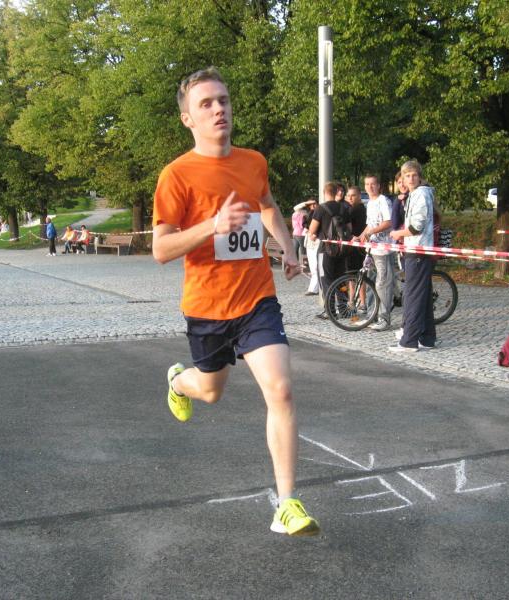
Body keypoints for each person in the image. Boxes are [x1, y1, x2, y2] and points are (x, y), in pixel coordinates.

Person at [151, 66, 319, 536]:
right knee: (210, 391)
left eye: (222, 100)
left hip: (256, 299)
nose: (218, 110)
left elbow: (266, 204)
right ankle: (178, 381)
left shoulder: (253, 162)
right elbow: (161, 249)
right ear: (188, 119)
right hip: (207, 307)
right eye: (206, 104)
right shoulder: (176, 175)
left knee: (281, 389)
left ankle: (287, 504)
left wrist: (288, 247)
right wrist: (212, 225)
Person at [389, 160, 437, 352]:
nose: (410, 179)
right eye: (407, 175)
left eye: (414, 175)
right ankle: (427, 338)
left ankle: (409, 341)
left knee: (413, 296)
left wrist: (398, 234)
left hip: (417, 250)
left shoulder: (421, 194)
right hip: (418, 250)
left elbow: (417, 226)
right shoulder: (416, 194)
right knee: (423, 296)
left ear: (420, 176)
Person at [355, 174, 393, 331]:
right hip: (371, 249)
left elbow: (388, 222)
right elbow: (369, 225)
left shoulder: (383, 201)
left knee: (383, 284)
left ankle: (384, 319)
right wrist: (360, 236)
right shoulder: (370, 203)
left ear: (378, 186)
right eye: (367, 184)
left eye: (372, 184)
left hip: (383, 249)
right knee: (371, 282)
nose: (370, 187)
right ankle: (372, 315)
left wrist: (371, 232)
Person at [307, 181, 350, 319]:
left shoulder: (321, 208)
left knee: (325, 279)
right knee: (341, 279)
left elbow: (312, 230)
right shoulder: (344, 208)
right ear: (336, 191)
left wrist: (313, 235)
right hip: (342, 249)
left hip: (325, 250)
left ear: (324, 192)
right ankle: (344, 309)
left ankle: (329, 311)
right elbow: (349, 229)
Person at [345, 186, 368, 273]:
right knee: (360, 273)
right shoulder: (362, 208)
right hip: (360, 244)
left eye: (353, 195)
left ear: (359, 196)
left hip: (355, 245)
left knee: (353, 273)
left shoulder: (354, 209)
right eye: (348, 195)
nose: (350, 198)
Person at [302, 198, 320, 296]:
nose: (313, 205)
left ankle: (314, 288)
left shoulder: (320, 213)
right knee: (313, 266)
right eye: (311, 204)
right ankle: (314, 288)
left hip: (317, 240)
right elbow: (296, 208)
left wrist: (315, 234)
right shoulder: (307, 214)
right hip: (309, 241)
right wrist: (307, 203)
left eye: (315, 203)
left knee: (316, 266)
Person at [291, 202, 308, 267]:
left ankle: (295, 263)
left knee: (295, 248)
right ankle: (304, 263)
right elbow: (302, 225)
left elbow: (293, 225)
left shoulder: (293, 214)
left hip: (295, 233)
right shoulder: (302, 215)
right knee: (303, 249)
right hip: (301, 233)